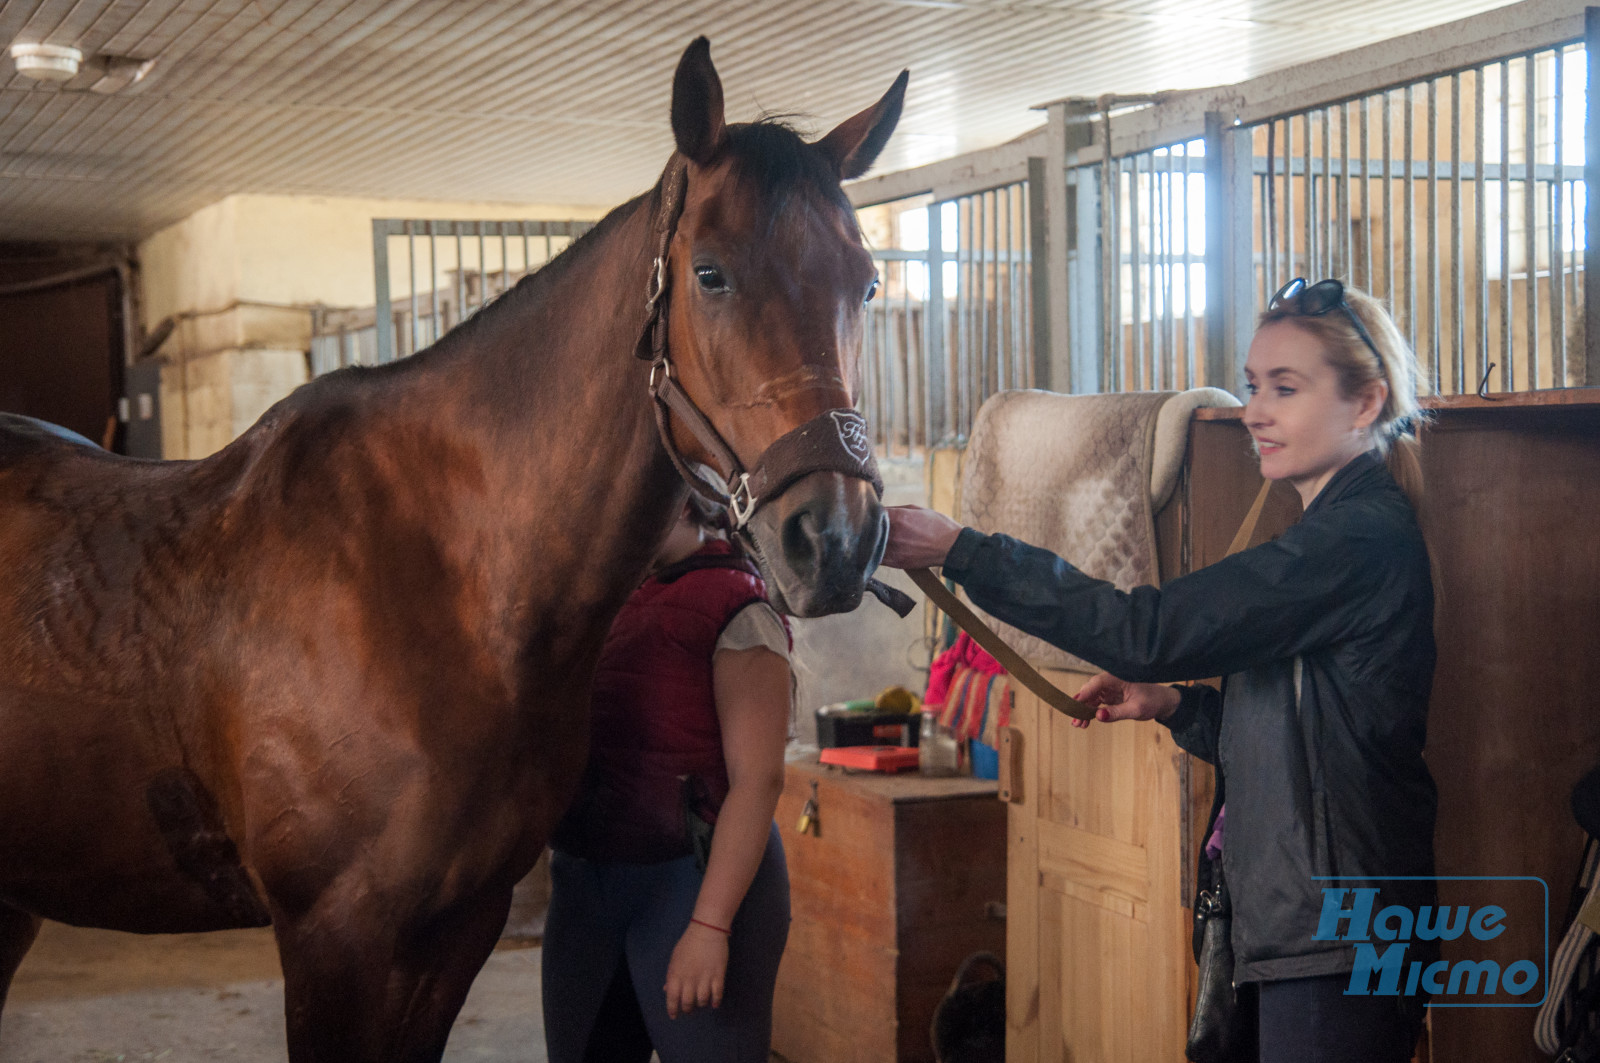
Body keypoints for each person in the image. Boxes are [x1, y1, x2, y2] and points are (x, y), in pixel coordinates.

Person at [881, 278, 1436, 1062]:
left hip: (1338, 935)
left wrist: (963, 551)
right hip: (1300, 927)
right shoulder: (1332, 530)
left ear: (1367, 402)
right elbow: (1299, 754)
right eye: (1252, 385)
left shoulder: (1354, 540)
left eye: (1287, 387)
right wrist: (1175, 704)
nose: (1256, 411)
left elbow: (1151, 628)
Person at [542, 487, 793, 1063]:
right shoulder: (607, 596)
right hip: (590, 881)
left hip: (693, 880)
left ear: (677, 503)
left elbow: (759, 780)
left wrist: (710, 925)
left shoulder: (739, 604)